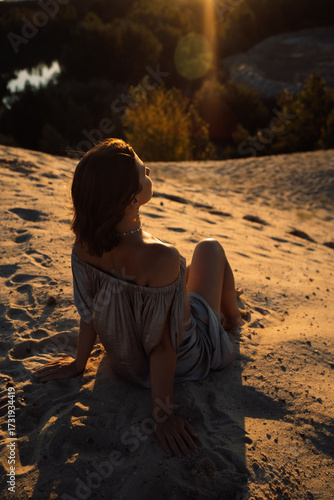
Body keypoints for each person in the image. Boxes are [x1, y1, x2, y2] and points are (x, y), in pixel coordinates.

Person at [33, 138, 244, 460]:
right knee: (210, 248)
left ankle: (215, 307)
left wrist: (79, 363)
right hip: (188, 358)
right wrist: (163, 415)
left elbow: (88, 313)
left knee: (180, 286)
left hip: (127, 362)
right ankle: (232, 321)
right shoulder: (161, 257)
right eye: (142, 173)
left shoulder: (84, 246)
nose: (147, 170)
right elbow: (163, 345)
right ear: (132, 198)